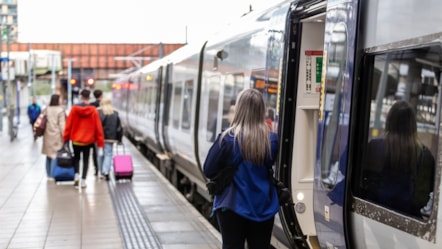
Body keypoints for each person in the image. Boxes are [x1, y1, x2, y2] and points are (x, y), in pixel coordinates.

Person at [203, 88, 279, 249]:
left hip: (231, 207)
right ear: (261, 111)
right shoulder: (271, 140)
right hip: (263, 207)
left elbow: (208, 170)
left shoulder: (226, 139)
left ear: (239, 109)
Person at [364, 100, 435, 218]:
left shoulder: (375, 146)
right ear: (413, 125)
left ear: (389, 122)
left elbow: (344, 167)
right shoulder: (424, 155)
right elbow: (424, 195)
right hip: (410, 217)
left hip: (374, 212)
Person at [63, 89, 104, 188]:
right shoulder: (93, 110)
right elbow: (98, 127)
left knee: (76, 158)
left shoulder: (74, 109)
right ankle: (83, 181)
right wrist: (100, 144)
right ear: (89, 98)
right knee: (86, 160)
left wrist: (65, 139)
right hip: (88, 140)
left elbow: (68, 125)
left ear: (81, 97)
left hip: (76, 140)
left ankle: (76, 175)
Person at [97, 97, 122, 181]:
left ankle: (101, 173)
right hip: (110, 138)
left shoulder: (97, 112)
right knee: (108, 154)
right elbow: (119, 128)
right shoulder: (115, 113)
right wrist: (119, 139)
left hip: (99, 137)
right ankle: (106, 171)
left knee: (100, 155)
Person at [42, 94, 66, 180]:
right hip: (56, 135)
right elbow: (62, 125)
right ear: (57, 100)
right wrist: (65, 136)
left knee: (48, 155)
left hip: (47, 134)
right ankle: (52, 175)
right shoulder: (60, 110)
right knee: (54, 155)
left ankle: (48, 174)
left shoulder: (47, 109)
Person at [90, 89, 103, 176]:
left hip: (93, 132)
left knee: (95, 152)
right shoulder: (104, 106)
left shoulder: (91, 105)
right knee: (104, 151)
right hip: (103, 132)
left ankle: (96, 169)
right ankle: (102, 169)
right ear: (101, 95)